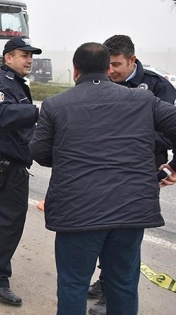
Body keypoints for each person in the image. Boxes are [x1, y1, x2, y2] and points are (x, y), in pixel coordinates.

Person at [30, 42, 176, 315]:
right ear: (108, 68)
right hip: (130, 212)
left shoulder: (55, 105)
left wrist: (67, 159)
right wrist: (172, 167)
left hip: (77, 213)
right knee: (122, 284)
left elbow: (39, 152)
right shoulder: (142, 100)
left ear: (75, 70)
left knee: (73, 285)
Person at [85, 35, 176, 315]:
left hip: (140, 174)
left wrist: (172, 167)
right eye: (107, 65)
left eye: (116, 65)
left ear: (132, 61)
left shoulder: (158, 86)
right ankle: (104, 280)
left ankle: (112, 297)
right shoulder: (102, 82)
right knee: (104, 230)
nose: (110, 72)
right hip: (104, 173)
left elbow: (168, 130)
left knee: (126, 238)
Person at [0, 37, 41, 305]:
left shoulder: (13, 82)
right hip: (4, 165)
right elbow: (1, 115)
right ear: (8, 58)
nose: (28, 60)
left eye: (30, 56)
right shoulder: (4, 83)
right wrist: (35, 111)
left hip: (0, 163)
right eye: (23, 55)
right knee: (8, 221)